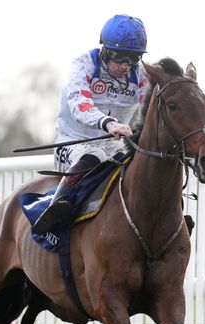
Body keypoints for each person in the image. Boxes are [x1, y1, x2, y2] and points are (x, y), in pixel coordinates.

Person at [32, 14, 149, 236]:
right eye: (119, 57)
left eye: (133, 59)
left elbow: (151, 104)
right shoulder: (83, 63)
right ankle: (55, 212)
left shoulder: (140, 74)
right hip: (72, 142)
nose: (125, 66)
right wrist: (108, 123)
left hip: (113, 144)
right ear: (105, 49)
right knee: (93, 155)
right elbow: (79, 103)